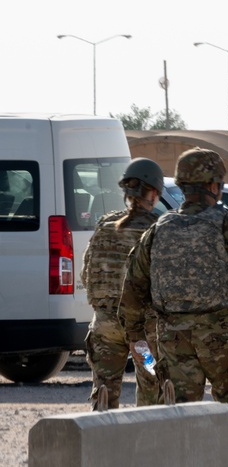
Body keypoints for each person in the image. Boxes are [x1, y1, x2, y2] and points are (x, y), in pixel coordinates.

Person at [119, 147, 228, 467]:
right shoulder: (227, 225)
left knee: (179, 405)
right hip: (221, 335)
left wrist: (135, 338)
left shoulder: (159, 228)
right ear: (214, 185)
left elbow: (132, 289)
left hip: (172, 337)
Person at [82, 158, 164, 408]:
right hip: (142, 335)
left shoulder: (105, 226)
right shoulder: (156, 229)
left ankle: (101, 443)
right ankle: (147, 442)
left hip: (105, 327)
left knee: (104, 390)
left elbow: (86, 275)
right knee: (152, 382)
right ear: (152, 193)